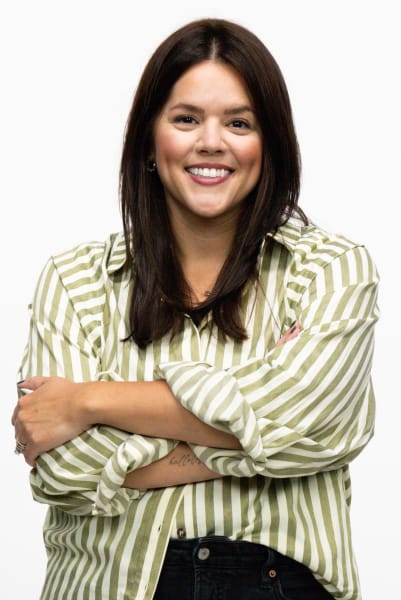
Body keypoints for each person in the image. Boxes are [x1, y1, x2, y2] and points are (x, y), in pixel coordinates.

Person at [12, 18, 378, 600]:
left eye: (239, 122)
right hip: (108, 585)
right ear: (150, 143)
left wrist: (88, 401)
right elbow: (60, 469)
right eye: (186, 119)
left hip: (275, 582)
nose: (212, 142)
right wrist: (261, 438)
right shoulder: (74, 280)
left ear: (270, 145)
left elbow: (314, 424)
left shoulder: (331, 270)